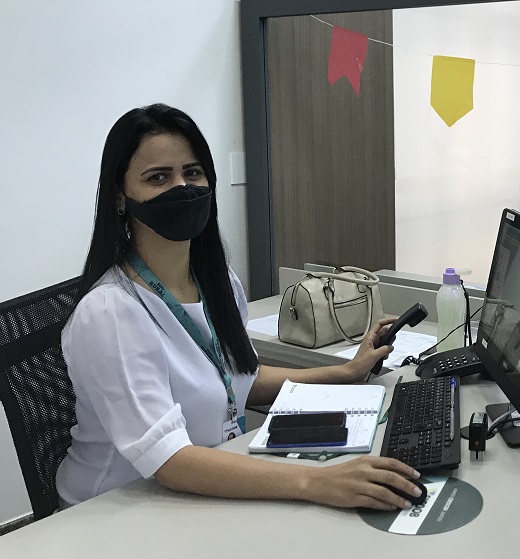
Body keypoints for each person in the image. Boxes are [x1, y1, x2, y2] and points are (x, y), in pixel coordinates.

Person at [56, 104, 423, 509]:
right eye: (158, 177)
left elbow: (237, 379)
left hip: (194, 488)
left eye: (192, 172)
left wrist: (346, 372)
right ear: (120, 198)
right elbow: (170, 461)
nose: (182, 187)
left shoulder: (216, 281)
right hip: (115, 509)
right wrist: (316, 482)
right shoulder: (111, 312)